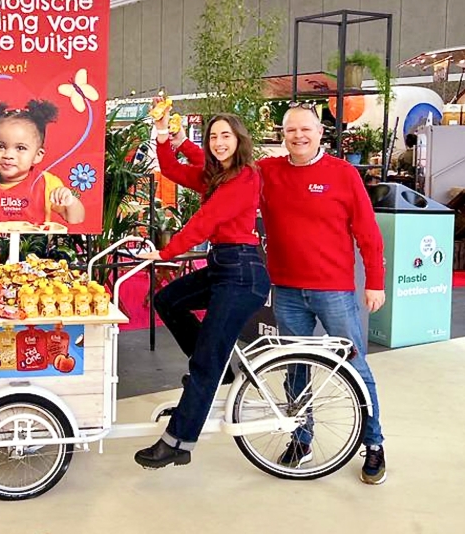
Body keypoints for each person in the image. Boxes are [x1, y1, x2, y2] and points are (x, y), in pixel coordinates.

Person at [177, 104, 388, 485]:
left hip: (335, 289)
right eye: (291, 131)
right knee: (296, 370)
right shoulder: (266, 172)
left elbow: (368, 232)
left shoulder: (343, 175)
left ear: (321, 132)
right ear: (283, 134)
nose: (298, 137)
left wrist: (375, 280)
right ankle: (301, 439)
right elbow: (222, 167)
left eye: (305, 130)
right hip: (287, 288)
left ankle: (373, 443)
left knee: (354, 366)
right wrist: (187, 146)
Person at [133, 107, 270, 469]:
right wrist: (164, 136)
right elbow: (174, 169)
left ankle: (178, 441)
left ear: (240, 140)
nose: (220, 142)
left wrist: (163, 253)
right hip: (222, 267)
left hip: (243, 273)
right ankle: (219, 369)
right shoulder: (219, 176)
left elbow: (204, 221)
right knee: (168, 300)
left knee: (205, 363)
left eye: (226, 136)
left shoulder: (244, 178)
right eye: (213, 136)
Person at [0, 99, 85, 229]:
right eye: (0, 146)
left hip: (33, 251)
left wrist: (70, 201)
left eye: (20, 148)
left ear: (38, 155)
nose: (8, 155)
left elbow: (76, 219)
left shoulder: (47, 183)